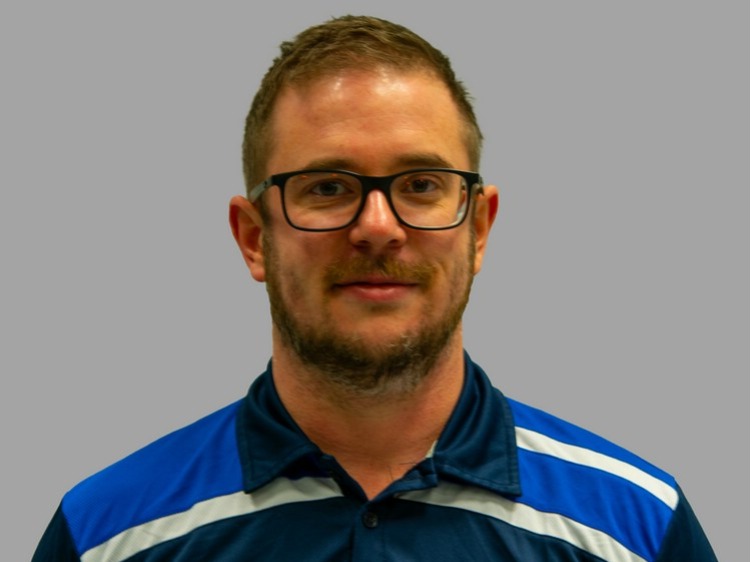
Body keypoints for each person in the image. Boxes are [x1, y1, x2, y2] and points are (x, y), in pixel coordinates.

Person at [32, 15, 717, 562]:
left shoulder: (636, 528)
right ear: (254, 238)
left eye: (421, 184)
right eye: (328, 188)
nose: (378, 227)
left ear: (478, 228)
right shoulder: (107, 535)